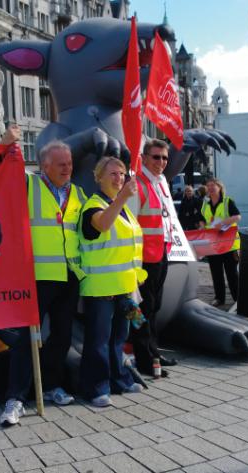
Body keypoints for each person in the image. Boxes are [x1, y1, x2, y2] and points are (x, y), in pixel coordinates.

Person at [0, 126, 85, 426]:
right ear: (45, 165)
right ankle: (16, 398)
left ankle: (50, 386)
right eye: (61, 164)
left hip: (69, 276)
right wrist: (5, 144)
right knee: (26, 339)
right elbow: (2, 172)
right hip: (36, 277)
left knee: (61, 337)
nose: (68, 169)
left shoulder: (79, 193)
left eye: (70, 164)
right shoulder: (30, 185)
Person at [78, 156, 146, 407]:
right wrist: (122, 198)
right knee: (98, 341)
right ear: (98, 177)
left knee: (119, 337)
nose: (119, 179)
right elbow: (103, 225)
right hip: (101, 289)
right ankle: (96, 387)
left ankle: (120, 379)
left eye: (121, 174)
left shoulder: (123, 208)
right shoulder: (93, 206)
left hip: (125, 287)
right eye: (113, 174)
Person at [127, 139, 178, 377]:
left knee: (154, 308)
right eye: (156, 157)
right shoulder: (137, 184)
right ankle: (145, 358)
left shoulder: (162, 183)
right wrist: (134, 264)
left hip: (160, 253)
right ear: (144, 158)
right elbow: (130, 225)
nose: (161, 162)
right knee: (141, 310)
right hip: (143, 259)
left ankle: (153, 350)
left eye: (165, 158)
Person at [200, 178, 240, 307]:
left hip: (229, 244)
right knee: (216, 273)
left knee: (232, 274)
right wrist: (201, 225)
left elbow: (237, 216)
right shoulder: (205, 204)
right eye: (208, 186)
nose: (210, 188)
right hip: (213, 244)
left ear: (220, 187)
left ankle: (237, 298)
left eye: (213, 185)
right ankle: (219, 298)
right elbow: (201, 218)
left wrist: (222, 223)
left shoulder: (228, 201)